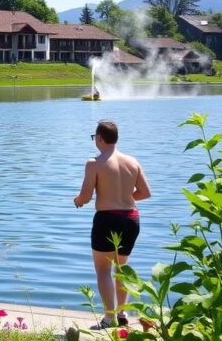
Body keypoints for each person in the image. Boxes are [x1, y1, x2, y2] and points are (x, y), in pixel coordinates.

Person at [73, 120, 151, 329]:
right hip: (131, 219)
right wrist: (124, 197)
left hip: (107, 219)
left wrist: (77, 201)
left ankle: (109, 318)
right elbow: (145, 192)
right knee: (121, 267)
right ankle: (122, 313)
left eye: (94, 137)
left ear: (99, 138)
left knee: (103, 269)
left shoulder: (94, 163)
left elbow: (86, 196)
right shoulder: (132, 162)